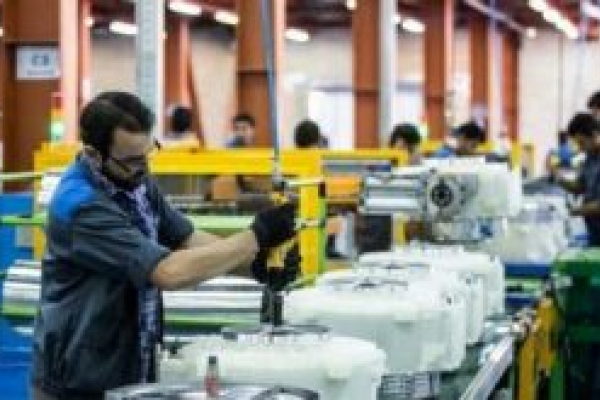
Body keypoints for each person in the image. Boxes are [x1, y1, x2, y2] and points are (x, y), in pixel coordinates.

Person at [31, 92, 299, 399]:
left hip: (129, 365)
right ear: (94, 155)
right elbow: (166, 272)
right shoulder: (81, 206)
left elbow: (186, 238)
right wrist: (255, 236)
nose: (144, 167)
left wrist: (256, 264)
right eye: (132, 160)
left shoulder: (135, 181)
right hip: (77, 380)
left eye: (148, 153)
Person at [552, 113, 600, 247]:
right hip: (593, 228)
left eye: (582, 142)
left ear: (595, 135)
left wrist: (574, 211)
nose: (580, 148)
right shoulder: (590, 157)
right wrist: (559, 179)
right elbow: (580, 187)